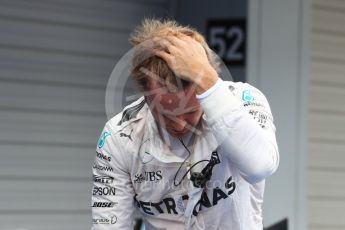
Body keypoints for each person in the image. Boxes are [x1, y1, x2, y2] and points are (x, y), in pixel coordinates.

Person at [91, 19, 279, 230]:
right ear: (145, 96)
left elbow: (260, 167)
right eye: (165, 115)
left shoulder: (243, 100)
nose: (180, 125)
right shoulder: (119, 135)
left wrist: (207, 78)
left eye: (190, 111)